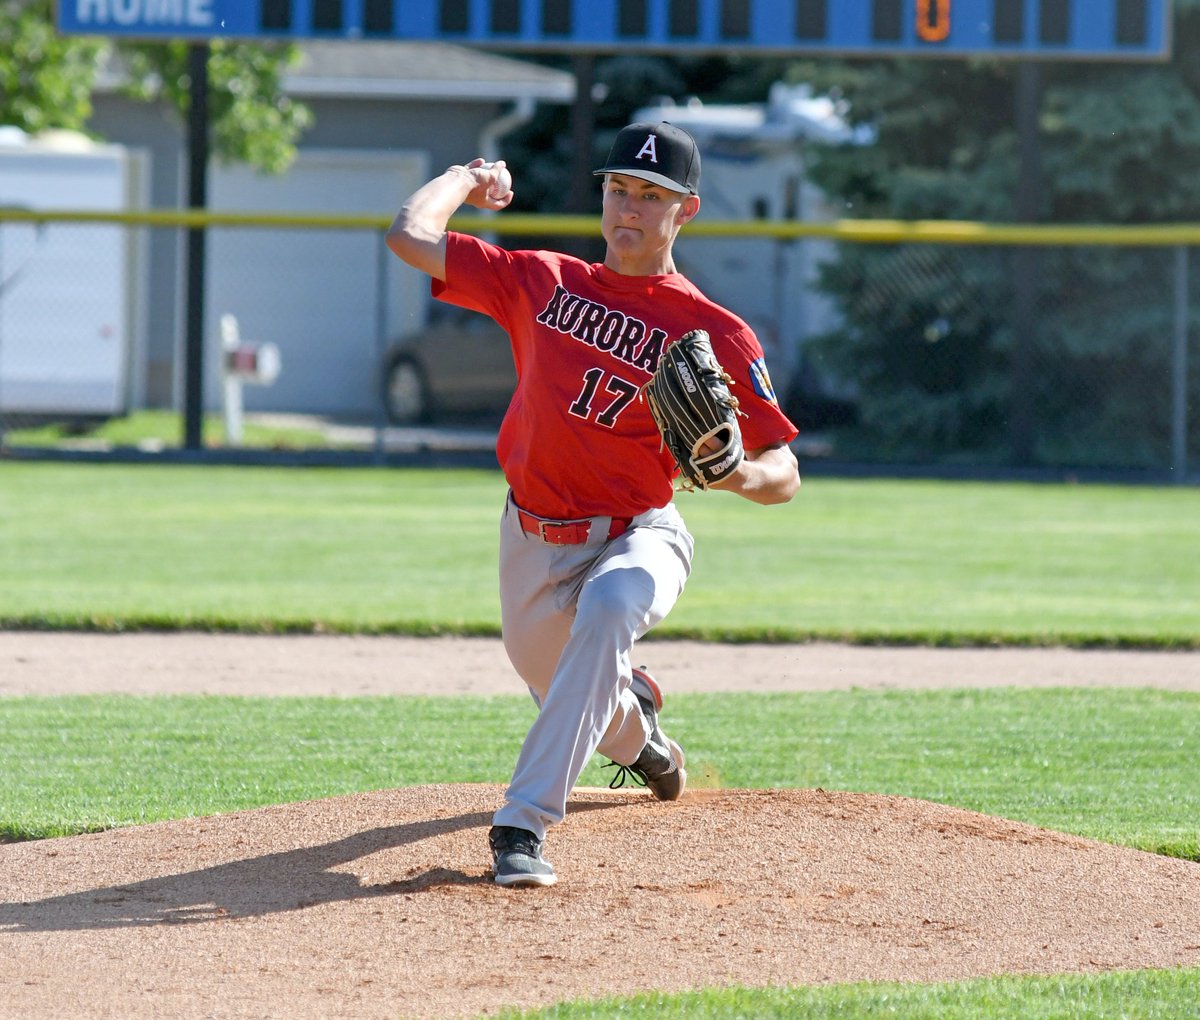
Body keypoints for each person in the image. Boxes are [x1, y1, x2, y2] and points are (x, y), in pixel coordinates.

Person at [386, 121, 800, 888]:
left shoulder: (714, 331)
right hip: (532, 538)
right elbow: (410, 237)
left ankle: (522, 825)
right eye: (618, 188)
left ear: (688, 210)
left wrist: (737, 472)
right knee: (583, 688)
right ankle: (643, 740)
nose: (630, 208)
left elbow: (785, 473)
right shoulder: (543, 281)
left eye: (652, 195)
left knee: (611, 607)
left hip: (640, 533)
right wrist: (465, 178)